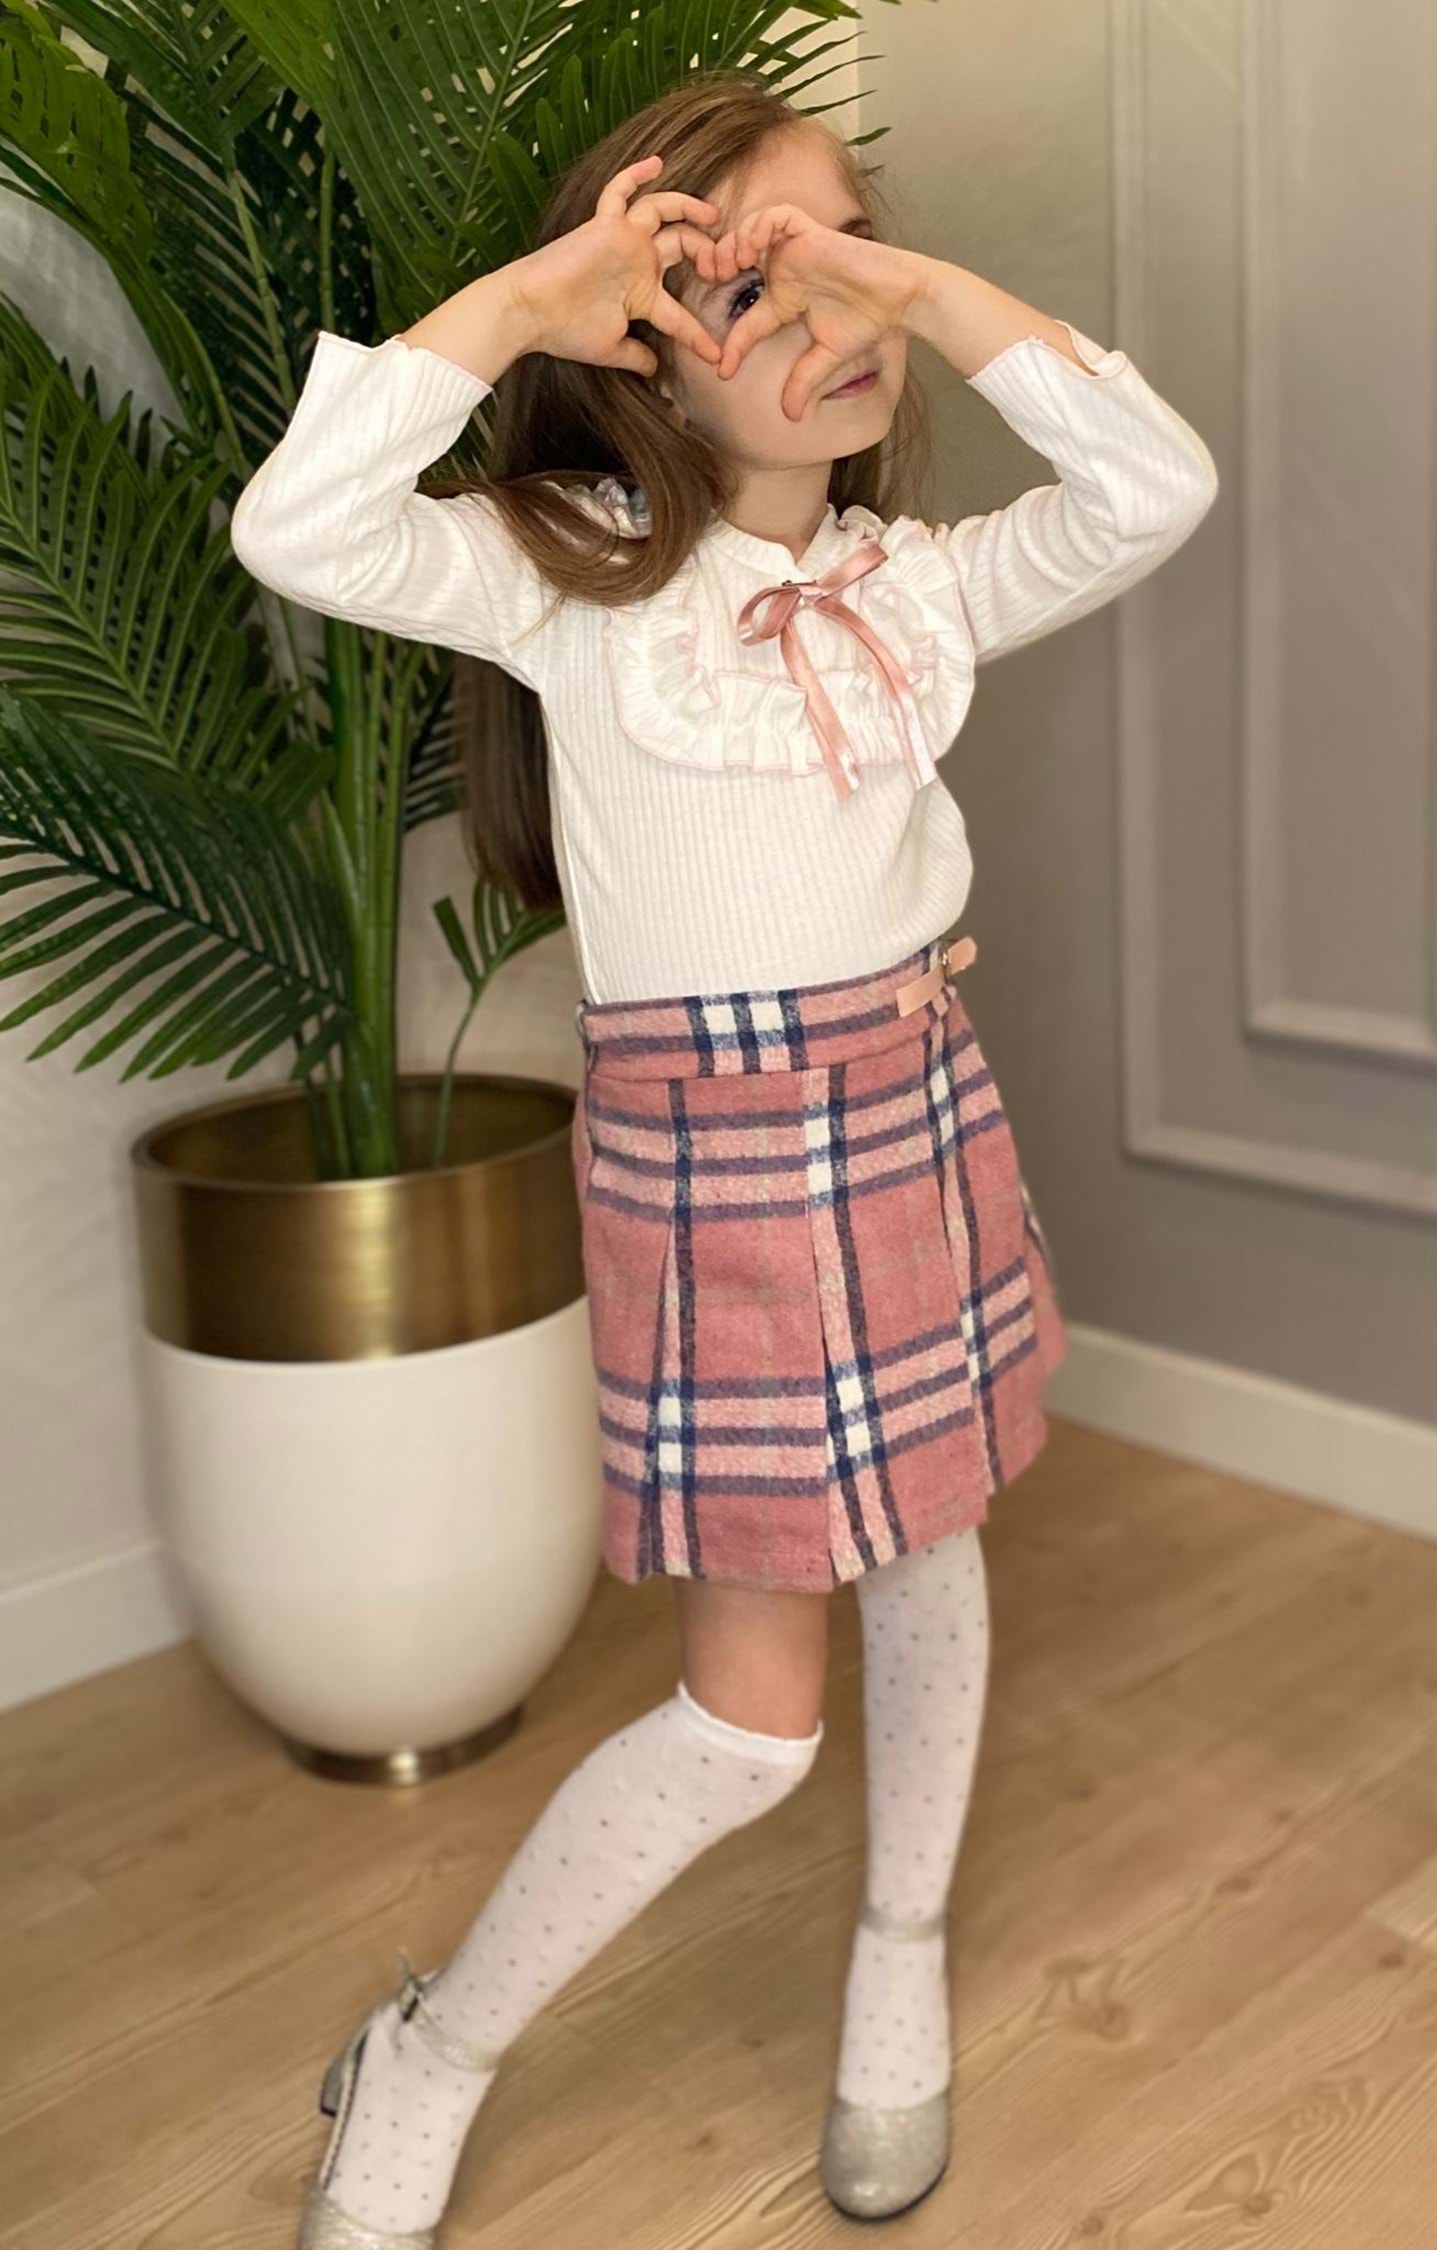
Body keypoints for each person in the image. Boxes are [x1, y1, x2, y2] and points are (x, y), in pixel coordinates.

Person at [230, 69, 1217, 2250]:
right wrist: (523, 303)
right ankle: (434, 2048)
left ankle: (900, 1950)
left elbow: (1158, 481)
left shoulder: (918, 586)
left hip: (916, 1113)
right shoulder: (570, 580)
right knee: (752, 1725)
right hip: (726, 1177)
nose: (833, 311)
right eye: (756, 282)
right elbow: (299, 528)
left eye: (849, 249)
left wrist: (919, 287)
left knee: (934, 1546)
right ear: (642, 351)